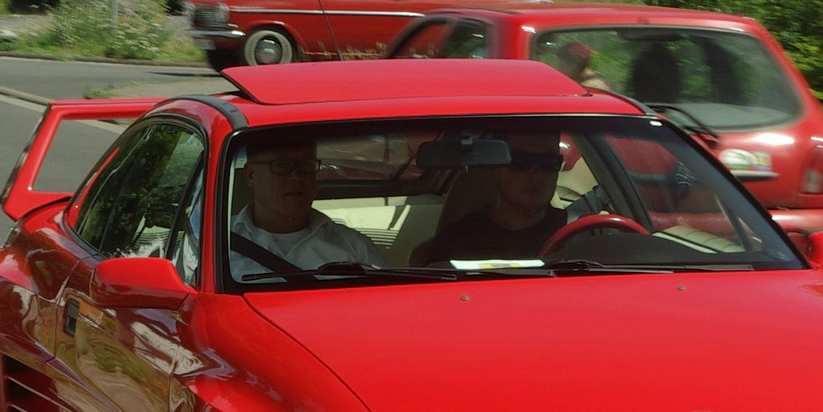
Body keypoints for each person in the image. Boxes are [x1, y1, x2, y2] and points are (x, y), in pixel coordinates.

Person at [228, 134, 385, 279]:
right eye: (281, 165)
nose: (297, 176)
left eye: (306, 165)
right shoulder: (215, 245)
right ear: (251, 175)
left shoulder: (356, 250)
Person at [415, 132, 569, 264]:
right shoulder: (458, 242)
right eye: (521, 163)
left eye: (549, 163)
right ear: (495, 169)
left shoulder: (575, 234)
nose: (536, 176)